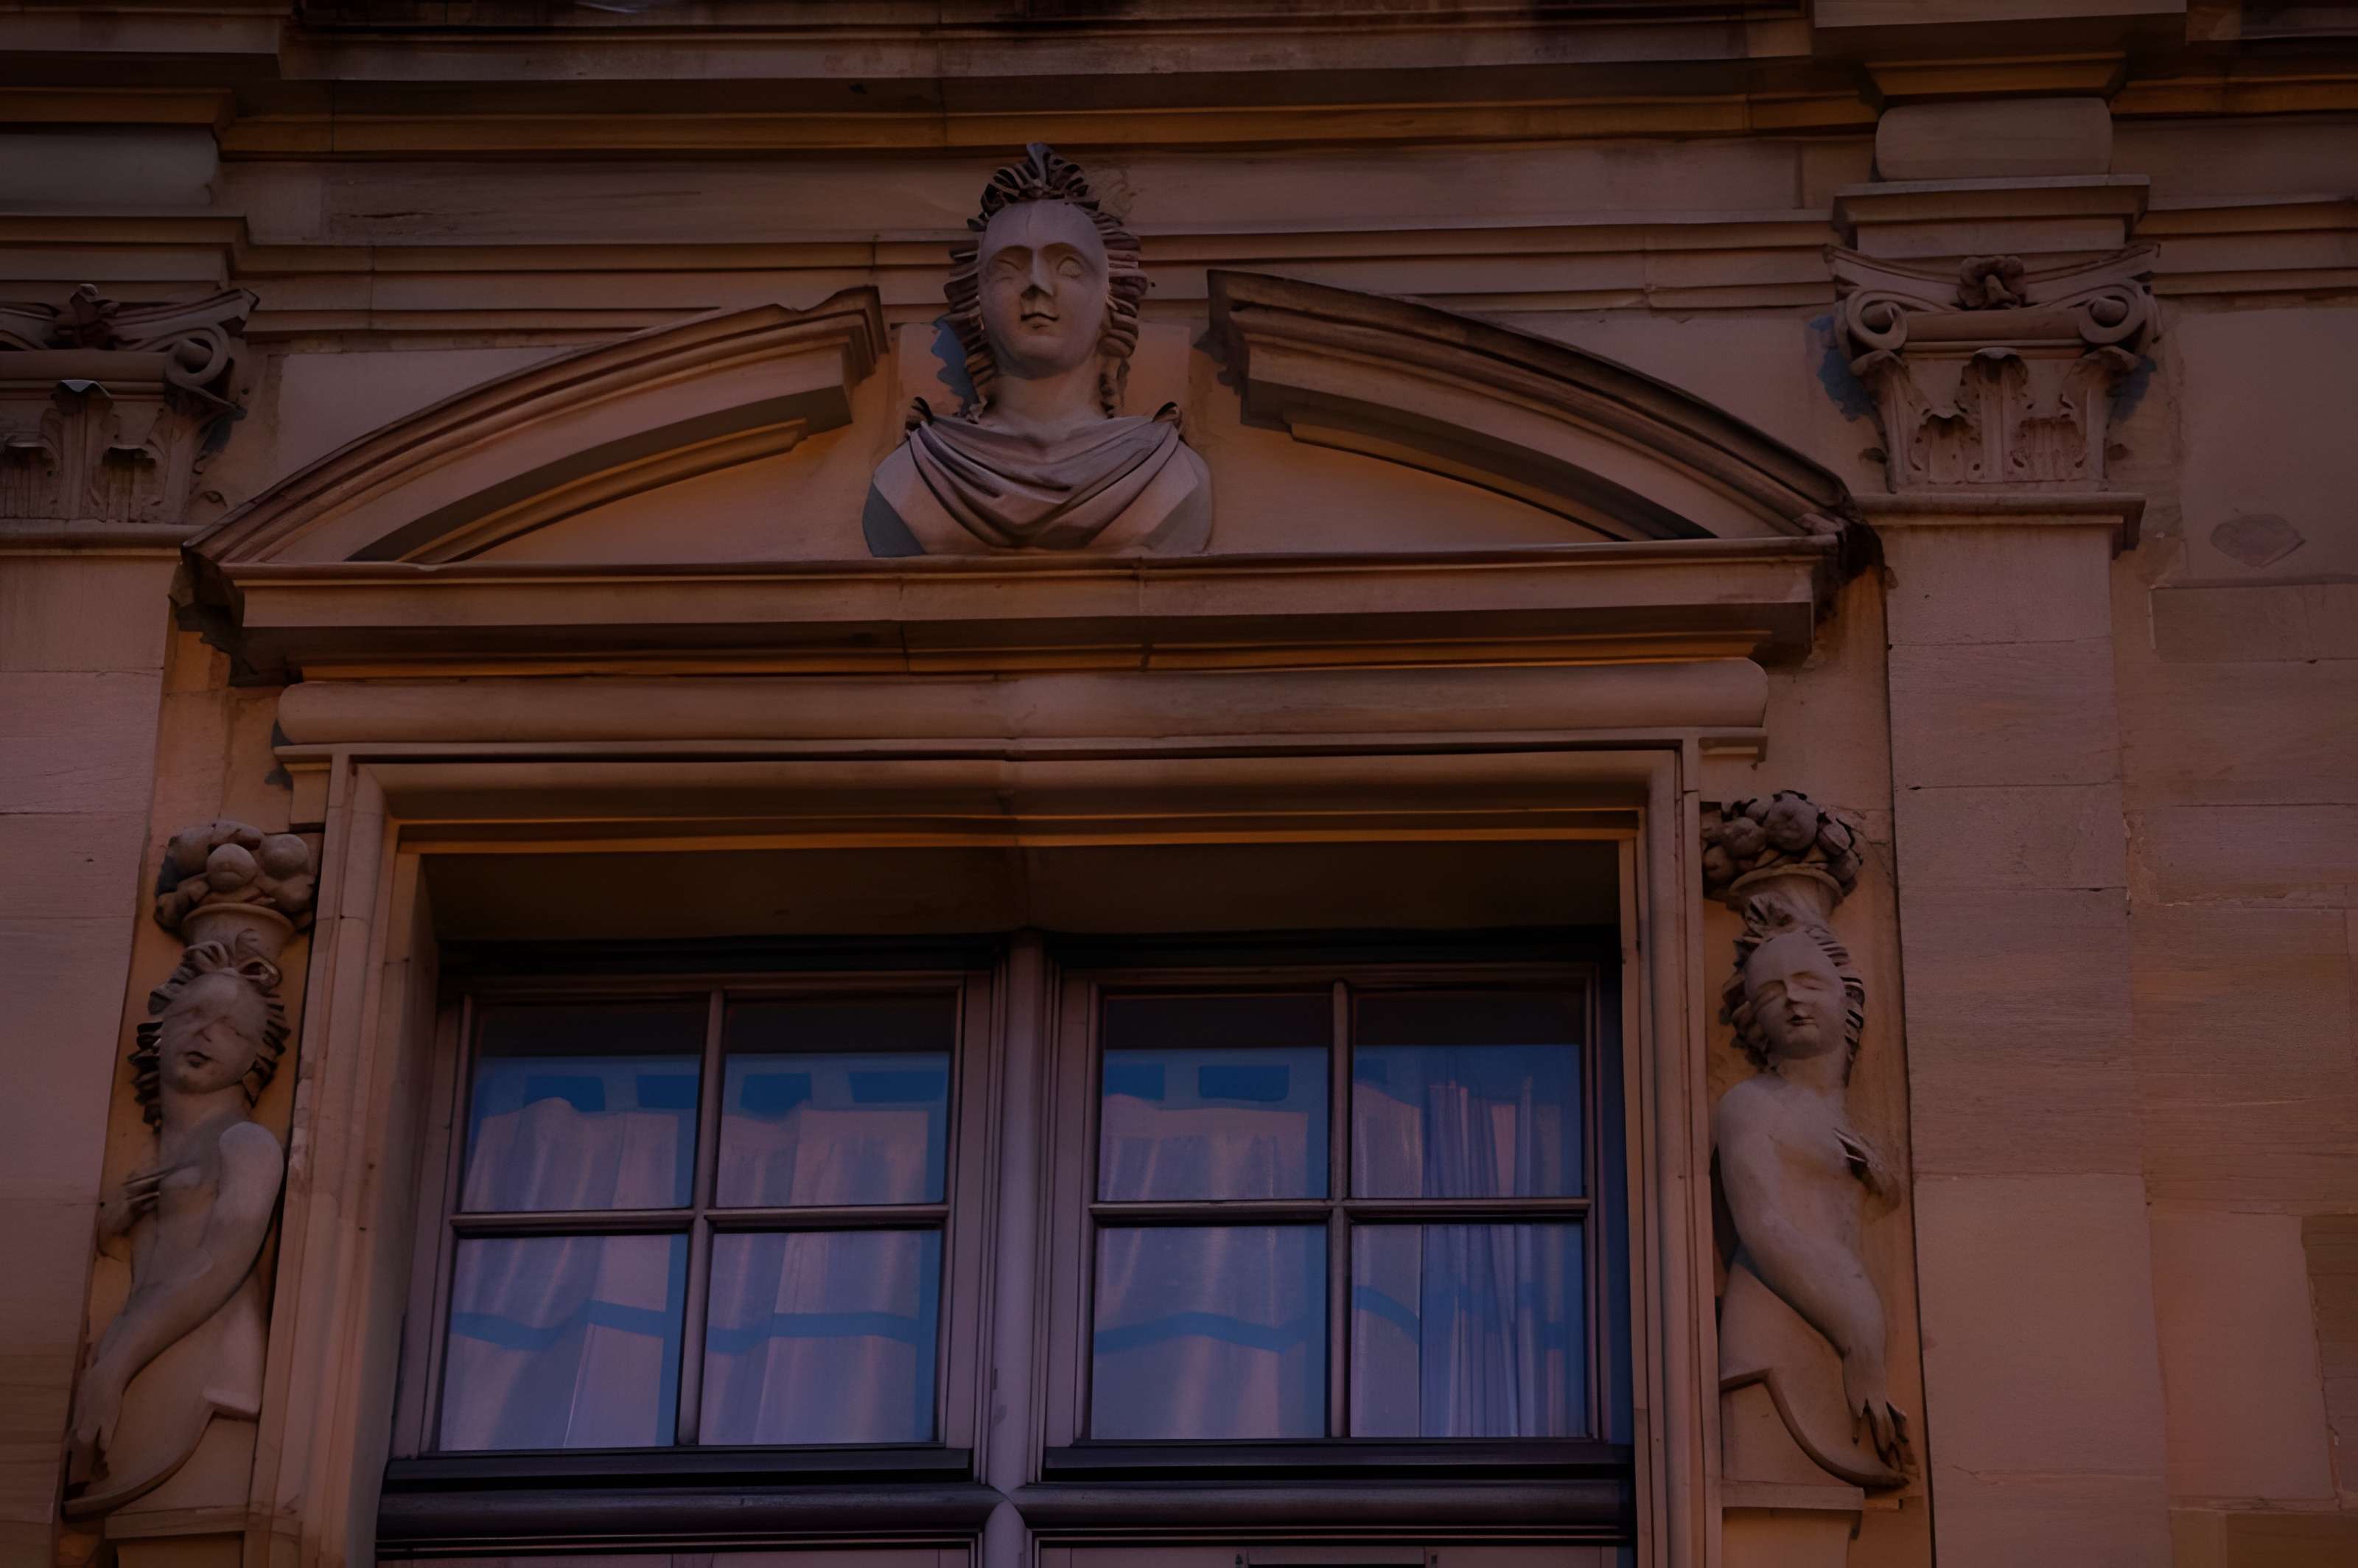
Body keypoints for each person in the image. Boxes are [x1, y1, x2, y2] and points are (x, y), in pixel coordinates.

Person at [864, 143, 1212, 555]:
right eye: (1008, 269)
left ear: (1111, 301)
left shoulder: (1169, 473)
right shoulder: (912, 476)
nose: (1037, 285)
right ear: (976, 306)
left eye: (1068, 268)